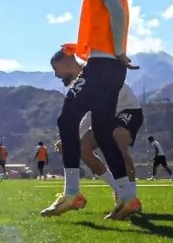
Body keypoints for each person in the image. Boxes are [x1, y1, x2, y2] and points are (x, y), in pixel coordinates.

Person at [42, 0, 139, 221]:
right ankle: (127, 197)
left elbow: (116, 10)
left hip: (103, 66)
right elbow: (109, 17)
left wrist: (118, 51)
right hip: (111, 67)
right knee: (103, 131)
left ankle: (72, 192)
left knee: (66, 120)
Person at [51, 46, 142, 211]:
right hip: (106, 116)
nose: (56, 75)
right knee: (83, 149)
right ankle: (119, 190)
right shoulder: (79, 84)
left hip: (127, 111)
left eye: (56, 69)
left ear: (66, 63)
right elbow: (87, 115)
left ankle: (131, 196)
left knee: (116, 143)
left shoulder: (93, 73)